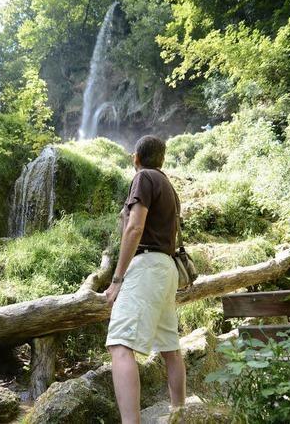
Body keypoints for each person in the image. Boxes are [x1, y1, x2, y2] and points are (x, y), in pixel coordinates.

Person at [104, 135, 186, 423]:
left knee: (120, 345)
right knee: (169, 347)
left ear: (135, 158)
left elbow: (135, 229)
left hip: (147, 267)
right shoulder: (168, 185)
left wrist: (117, 279)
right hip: (167, 269)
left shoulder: (143, 178)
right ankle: (179, 412)